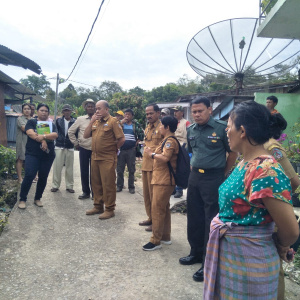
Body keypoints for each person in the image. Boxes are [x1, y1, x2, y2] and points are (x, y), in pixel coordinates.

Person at [203, 100, 299, 299]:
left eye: (229, 126)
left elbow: (290, 230)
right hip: (234, 257)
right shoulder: (245, 163)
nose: (226, 131)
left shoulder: (265, 171)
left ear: (243, 131)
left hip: (251, 262)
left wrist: (281, 245)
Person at [179, 96, 237, 282]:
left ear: (210, 110)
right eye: (194, 111)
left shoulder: (221, 128)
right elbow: (192, 151)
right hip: (195, 176)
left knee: (210, 219)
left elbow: (233, 152)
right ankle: (195, 252)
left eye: (200, 111)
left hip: (214, 177)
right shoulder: (191, 129)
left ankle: (207, 261)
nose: (196, 115)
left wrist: (224, 172)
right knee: (194, 216)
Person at [142, 116, 179, 250]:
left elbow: (165, 157)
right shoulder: (166, 140)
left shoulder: (170, 141)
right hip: (161, 178)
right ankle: (165, 236)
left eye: (162, 125)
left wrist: (151, 154)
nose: (160, 128)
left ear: (167, 127)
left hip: (164, 180)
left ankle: (155, 240)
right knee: (163, 208)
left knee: (157, 209)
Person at [84, 100, 125, 220]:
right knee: (96, 183)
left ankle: (109, 209)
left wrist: (113, 149)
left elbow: (121, 139)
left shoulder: (113, 122)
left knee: (108, 184)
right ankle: (98, 206)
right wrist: (92, 121)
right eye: (96, 109)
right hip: (95, 157)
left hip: (107, 158)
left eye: (99, 108)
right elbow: (86, 135)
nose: (97, 111)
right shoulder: (95, 121)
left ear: (106, 110)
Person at [18, 103, 58, 209]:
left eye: (46, 111)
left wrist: (43, 137)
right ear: (37, 111)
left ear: (48, 113)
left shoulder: (51, 124)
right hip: (33, 154)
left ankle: (37, 198)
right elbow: (29, 132)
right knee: (29, 175)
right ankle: (22, 199)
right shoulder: (32, 121)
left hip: (47, 155)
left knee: (43, 177)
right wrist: (42, 141)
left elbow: (55, 135)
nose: (44, 112)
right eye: (41, 110)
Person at [139, 104, 163, 232]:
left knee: (155, 197)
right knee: (147, 195)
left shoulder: (163, 127)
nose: (148, 116)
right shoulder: (148, 127)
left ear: (158, 113)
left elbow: (164, 147)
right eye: (147, 114)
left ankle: (157, 222)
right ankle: (150, 218)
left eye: (151, 113)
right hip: (146, 165)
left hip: (156, 167)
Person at [68, 99, 95, 199]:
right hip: (83, 148)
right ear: (85, 108)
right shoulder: (80, 119)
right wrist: (76, 143)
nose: (91, 108)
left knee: (94, 172)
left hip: (96, 150)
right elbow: (70, 131)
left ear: (95, 108)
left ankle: (95, 193)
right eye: (89, 106)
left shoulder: (99, 119)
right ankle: (86, 192)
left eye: (92, 106)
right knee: (84, 171)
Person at [117, 108, 144, 194]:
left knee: (131, 169)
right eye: (125, 114)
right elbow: (114, 132)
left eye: (128, 114)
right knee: (120, 169)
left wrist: (137, 142)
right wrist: (121, 123)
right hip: (121, 149)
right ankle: (119, 186)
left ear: (132, 116)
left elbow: (142, 134)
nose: (127, 116)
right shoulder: (120, 124)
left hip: (131, 150)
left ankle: (131, 187)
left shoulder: (135, 124)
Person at [51, 104, 76, 193]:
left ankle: (69, 186)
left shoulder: (75, 121)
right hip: (59, 146)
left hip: (70, 147)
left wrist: (75, 143)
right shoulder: (58, 121)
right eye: (65, 110)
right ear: (63, 112)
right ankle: (55, 185)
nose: (67, 112)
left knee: (69, 168)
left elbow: (76, 133)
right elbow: (55, 132)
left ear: (71, 111)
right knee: (57, 167)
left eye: (68, 110)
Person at [173, 105, 191, 198]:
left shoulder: (186, 123)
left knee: (180, 169)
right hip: (173, 148)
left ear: (182, 112)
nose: (175, 113)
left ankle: (179, 190)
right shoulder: (174, 122)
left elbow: (190, 136)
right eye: (174, 111)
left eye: (177, 111)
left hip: (183, 148)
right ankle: (173, 188)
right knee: (172, 168)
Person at [16, 103, 32, 184]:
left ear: (31, 110)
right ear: (22, 110)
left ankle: (27, 178)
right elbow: (24, 128)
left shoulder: (33, 119)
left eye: (28, 109)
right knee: (20, 159)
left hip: (31, 142)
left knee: (29, 160)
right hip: (22, 142)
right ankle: (19, 178)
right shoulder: (20, 119)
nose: (27, 110)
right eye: (25, 109)